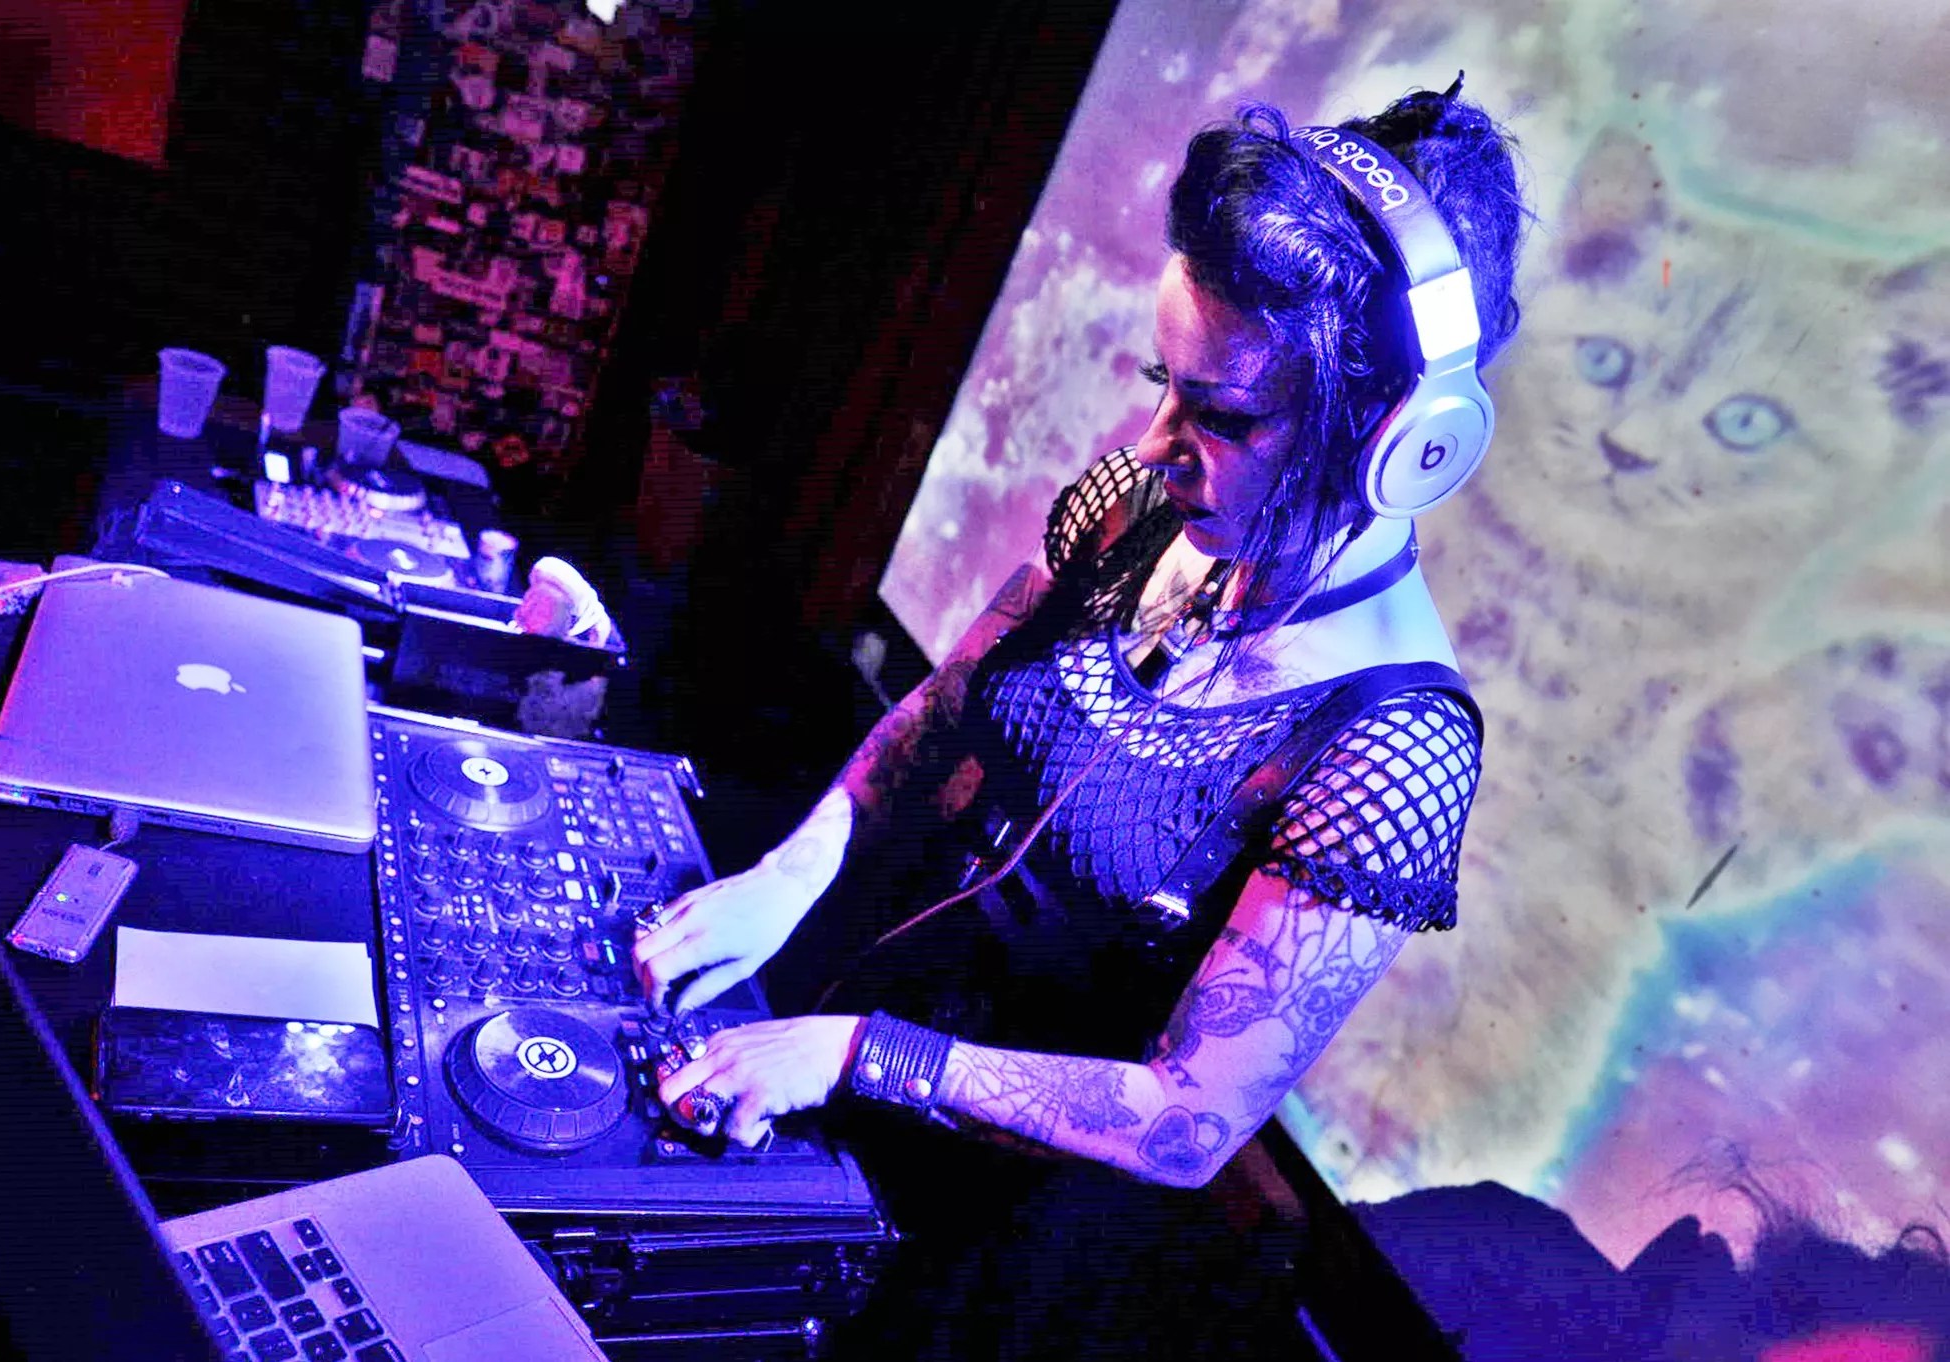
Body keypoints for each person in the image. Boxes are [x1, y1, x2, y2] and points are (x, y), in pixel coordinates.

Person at [632, 79, 1531, 1357]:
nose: (1156, 442)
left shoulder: (1390, 747)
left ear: (1388, 440)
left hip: (973, 1235)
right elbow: (941, 711)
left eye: (1221, 415)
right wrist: (783, 881)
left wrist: (864, 1057)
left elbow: (1186, 1119)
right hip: (820, 1031)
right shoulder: (1135, 508)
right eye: (1164, 381)